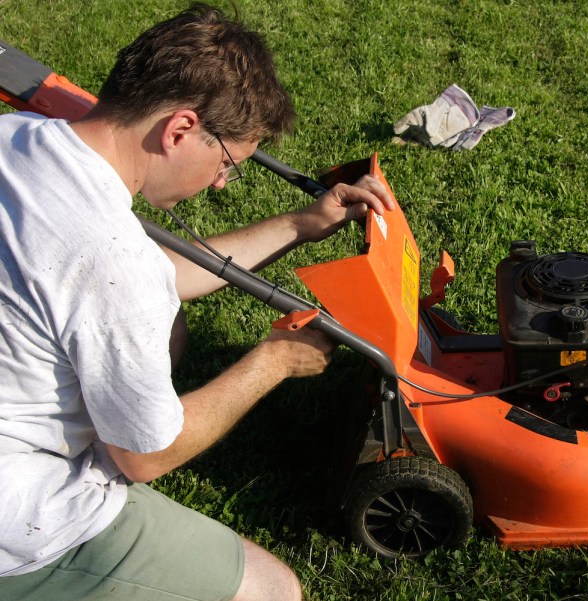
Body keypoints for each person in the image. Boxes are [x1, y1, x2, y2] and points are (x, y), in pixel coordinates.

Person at [0, 4, 393, 600]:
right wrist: (272, 363)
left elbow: (127, 279)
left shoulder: (19, 139)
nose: (218, 183)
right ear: (180, 129)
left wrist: (300, 224)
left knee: (170, 323)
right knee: (274, 589)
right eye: (227, 164)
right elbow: (145, 457)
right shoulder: (111, 261)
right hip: (19, 523)